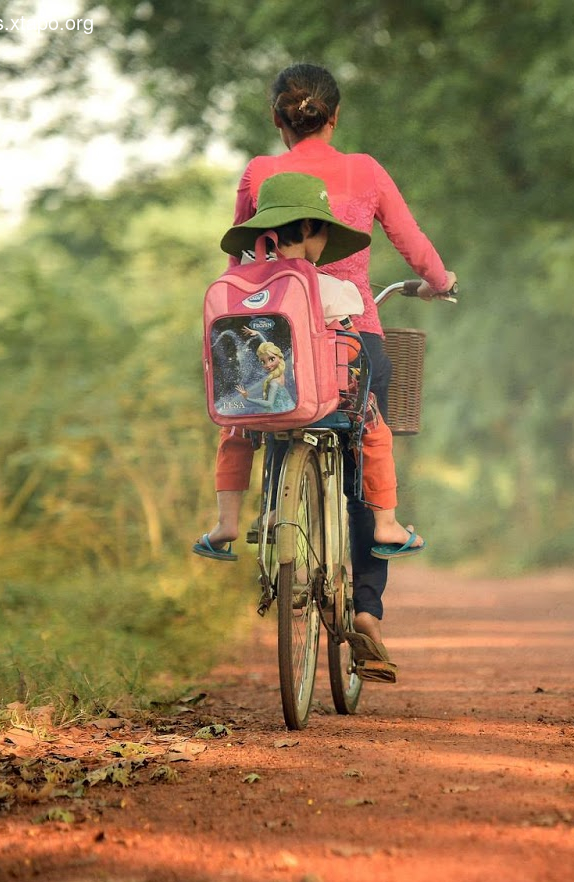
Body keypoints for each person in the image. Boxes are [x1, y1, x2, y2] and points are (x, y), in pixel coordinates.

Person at [202, 62, 456, 679]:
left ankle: (269, 516)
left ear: (277, 120)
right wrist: (439, 281)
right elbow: (410, 237)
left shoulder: (261, 173)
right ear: (334, 116)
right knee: (362, 450)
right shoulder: (364, 171)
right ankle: (366, 609)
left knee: (265, 414)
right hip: (351, 342)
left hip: (279, 341)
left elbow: (239, 247)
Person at [192, 172, 420, 683]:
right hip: (322, 405)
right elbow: (351, 322)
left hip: (260, 408)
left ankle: (228, 523)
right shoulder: (335, 287)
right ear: (315, 231)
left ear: (263, 235)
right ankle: (385, 522)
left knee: (233, 435)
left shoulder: (240, 289)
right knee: (372, 427)